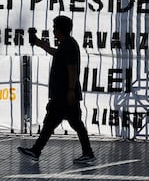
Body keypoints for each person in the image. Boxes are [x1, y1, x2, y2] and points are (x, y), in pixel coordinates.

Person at [18, 16, 95, 164]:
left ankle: (36, 151)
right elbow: (56, 53)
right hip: (64, 94)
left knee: (52, 123)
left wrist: (71, 90)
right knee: (72, 123)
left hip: (64, 95)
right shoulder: (66, 44)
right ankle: (87, 153)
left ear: (60, 29)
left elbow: (71, 69)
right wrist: (39, 43)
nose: (53, 30)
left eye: (54, 27)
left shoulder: (69, 46)